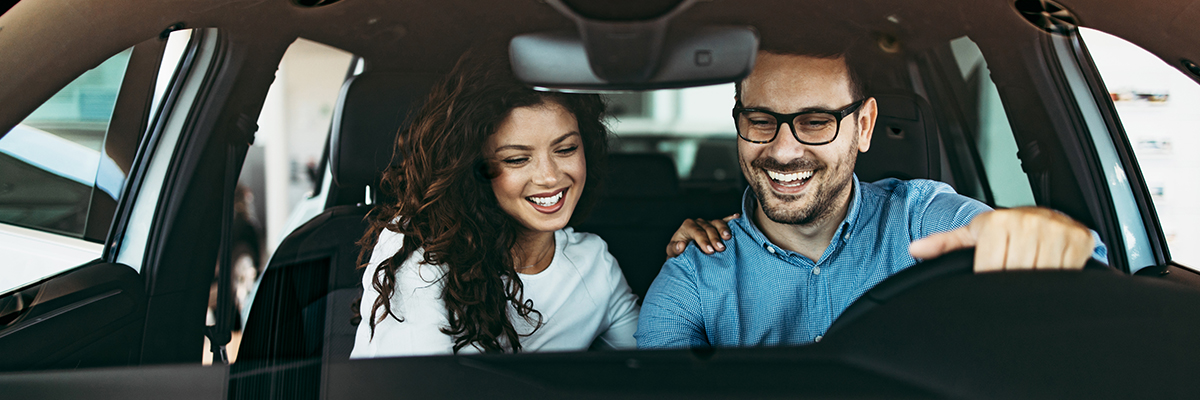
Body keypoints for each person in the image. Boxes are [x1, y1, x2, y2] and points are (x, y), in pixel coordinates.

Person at [636, 50, 1107, 349]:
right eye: (760, 119)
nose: (781, 150)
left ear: (863, 126)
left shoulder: (920, 219)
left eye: (816, 121)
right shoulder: (695, 272)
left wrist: (1040, 242)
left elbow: (1087, 287)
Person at [350, 57, 639, 356]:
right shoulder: (419, 251)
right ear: (475, 169)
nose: (550, 176)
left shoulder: (594, 264)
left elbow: (658, 367)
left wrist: (683, 260)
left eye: (566, 149)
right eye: (517, 159)